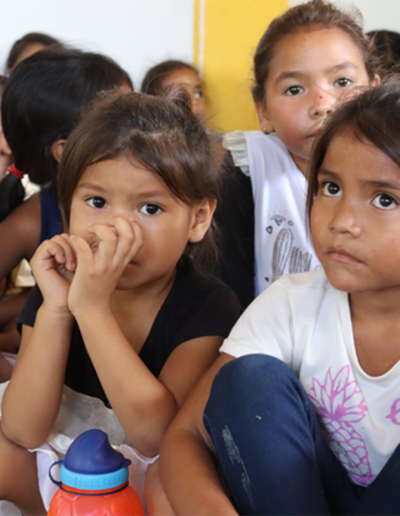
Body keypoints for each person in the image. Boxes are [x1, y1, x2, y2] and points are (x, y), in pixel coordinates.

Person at [159, 78, 400, 516]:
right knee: (248, 380)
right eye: (330, 187)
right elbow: (186, 437)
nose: (342, 221)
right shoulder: (292, 303)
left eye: (385, 199)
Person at [0, 90, 241, 515]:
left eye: (150, 208)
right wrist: (59, 309)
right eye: (96, 202)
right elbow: (23, 430)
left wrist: (92, 310)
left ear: (198, 218)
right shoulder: (56, 287)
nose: (117, 228)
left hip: (146, 481)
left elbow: (156, 438)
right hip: (60, 470)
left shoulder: (208, 306)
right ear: (66, 209)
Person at [215, 0, 379, 309]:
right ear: (263, 111)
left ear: (375, 89)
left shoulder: (392, 164)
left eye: (342, 82)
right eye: (294, 89)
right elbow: (227, 296)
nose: (323, 104)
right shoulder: (250, 168)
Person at [142, 59, 225, 176]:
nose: (194, 103)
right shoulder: (147, 153)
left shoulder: (223, 146)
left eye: (198, 94)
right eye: (179, 96)